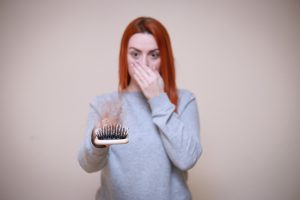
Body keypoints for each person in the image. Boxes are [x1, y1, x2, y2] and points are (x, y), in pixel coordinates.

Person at [78, 16, 202, 200]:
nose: (144, 64)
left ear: (164, 57)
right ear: (124, 56)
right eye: (135, 54)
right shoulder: (105, 104)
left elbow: (186, 159)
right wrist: (99, 139)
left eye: (154, 55)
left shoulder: (184, 100)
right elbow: (88, 165)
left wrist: (158, 99)